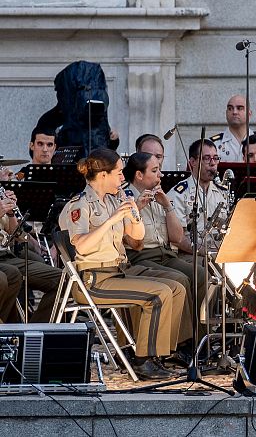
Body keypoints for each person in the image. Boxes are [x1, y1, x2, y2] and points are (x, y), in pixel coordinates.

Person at [59, 148, 186, 380]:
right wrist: (112, 220)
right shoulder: (79, 205)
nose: (122, 177)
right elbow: (82, 246)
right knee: (158, 294)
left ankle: (159, 354)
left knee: (176, 288)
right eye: (118, 173)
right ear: (103, 175)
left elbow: (136, 237)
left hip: (118, 270)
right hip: (94, 278)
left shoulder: (114, 199)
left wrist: (133, 213)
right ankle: (143, 360)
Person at [122, 153, 197, 347]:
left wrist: (167, 207)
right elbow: (124, 237)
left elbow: (177, 237)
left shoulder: (158, 194)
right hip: (139, 255)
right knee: (179, 279)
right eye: (155, 171)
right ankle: (181, 343)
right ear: (139, 175)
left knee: (201, 275)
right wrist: (136, 208)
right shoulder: (123, 196)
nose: (161, 175)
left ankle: (198, 337)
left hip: (165, 253)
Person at [0, 186, 62, 323]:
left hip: (6, 255)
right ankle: (7, 331)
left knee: (63, 280)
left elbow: (16, 235)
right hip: (6, 265)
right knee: (7, 277)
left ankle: (34, 331)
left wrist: (10, 213)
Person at [168, 139, 229, 254]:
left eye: (215, 158)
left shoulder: (222, 193)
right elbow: (178, 238)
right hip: (190, 255)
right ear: (192, 162)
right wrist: (203, 252)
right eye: (206, 158)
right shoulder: (178, 194)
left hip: (218, 253)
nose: (212, 163)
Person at [211, 95, 256, 162]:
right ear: (226, 113)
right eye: (230, 108)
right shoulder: (215, 144)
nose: (234, 112)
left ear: (249, 114)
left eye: (239, 108)